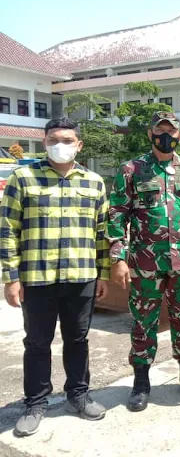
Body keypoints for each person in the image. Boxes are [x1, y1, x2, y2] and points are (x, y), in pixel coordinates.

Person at [0, 117, 110, 437]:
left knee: (77, 340)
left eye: (66, 139)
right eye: (52, 139)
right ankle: (36, 403)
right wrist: (11, 277)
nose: (59, 145)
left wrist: (102, 274)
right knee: (37, 343)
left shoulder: (94, 182)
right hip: (37, 277)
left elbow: (102, 232)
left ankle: (78, 394)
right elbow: (7, 232)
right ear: (44, 142)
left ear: (79, 144)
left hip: (81, 275)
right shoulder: (23, 179)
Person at [108, 112, 180, 412]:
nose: (165, 135)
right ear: (150, 133)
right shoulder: (132, 169)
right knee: (144, 322)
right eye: (160, 130)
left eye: (171, 130)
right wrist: (118, 258)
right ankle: (141, 382)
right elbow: (118, 213)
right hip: (145, 263)